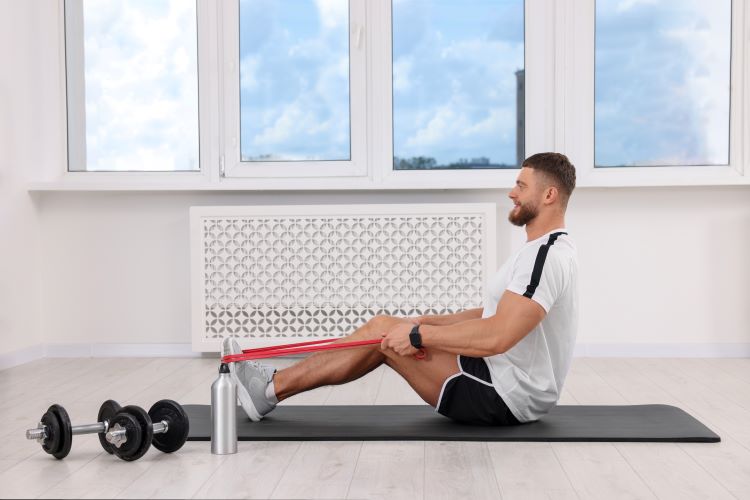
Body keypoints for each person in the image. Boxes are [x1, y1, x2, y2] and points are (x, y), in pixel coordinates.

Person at [223, 152, 578, 425]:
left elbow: (497, 336)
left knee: (382, 333)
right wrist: (425, 322)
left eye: (521, 186)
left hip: (506, 394)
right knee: (388, 326)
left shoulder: (544, 257)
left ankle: (267, 390)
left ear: (548, 195)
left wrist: (419, 336)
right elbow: (492, 315)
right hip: (502, 375)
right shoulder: (541, 251)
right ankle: (271, 385)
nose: (511, 192)